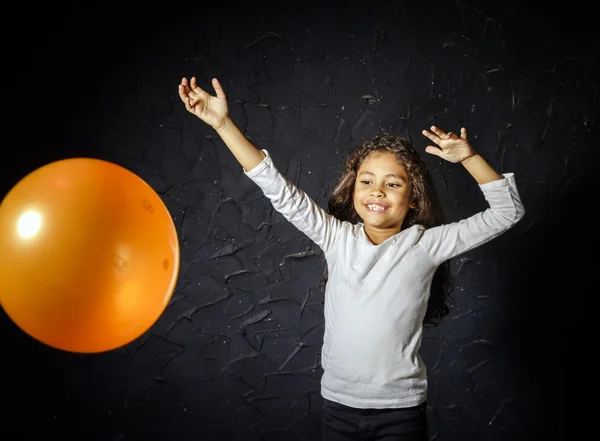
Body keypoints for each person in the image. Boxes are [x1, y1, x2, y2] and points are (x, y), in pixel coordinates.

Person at [178, 76, 525, 441]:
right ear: (353, 188)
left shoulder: (426, 245)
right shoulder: (336, 236)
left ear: (414, 198)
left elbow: (508, 212)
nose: (377, 191)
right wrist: (222, 123)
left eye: (393, 183)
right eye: (367, 181)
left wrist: (468, 157)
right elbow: (277, 189)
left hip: (401, 412)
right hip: (339, 408)